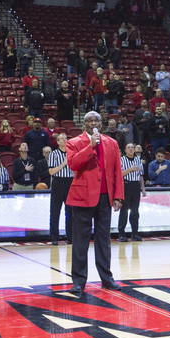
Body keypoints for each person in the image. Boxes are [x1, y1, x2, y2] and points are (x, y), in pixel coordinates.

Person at [65, 111, 125, 296]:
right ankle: (78, 282)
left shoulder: (112, 143)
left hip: (105, 197)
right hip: (82, 197)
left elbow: (117, 170)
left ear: (101, 123)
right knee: (80, 241)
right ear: (84, 124)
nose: (93, 123)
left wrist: (118, 196)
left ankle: (107, 279)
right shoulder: (74, 142)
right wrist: (90, 146)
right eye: (90, 121)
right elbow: (73, 164)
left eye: (96, 120)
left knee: (103, 240)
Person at [47, 133, 73, 245]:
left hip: (70, 182)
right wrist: (64, 164)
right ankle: (54, 237)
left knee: (70, 212)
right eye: (61, 139)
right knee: (55, 211)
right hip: (58, 182)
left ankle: (70, 236)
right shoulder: (54, 154)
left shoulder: (72, 153)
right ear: (57, 142)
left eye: (65, 138)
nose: (64, 140)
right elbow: (51, 171)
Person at [118, 143, 145, 242]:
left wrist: (143, 188)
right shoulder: (121, 160)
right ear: (125, 150)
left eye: (132, 147)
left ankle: (135, 234)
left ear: (134, 150)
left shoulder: (138, 160)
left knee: (135, 211)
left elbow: (141, 175)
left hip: (136, 186)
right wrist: (130, 169)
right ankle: (121, 234)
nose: (130, 149)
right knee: (124, 211)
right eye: (128, 147)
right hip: (126, 185)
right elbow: (120, 174)